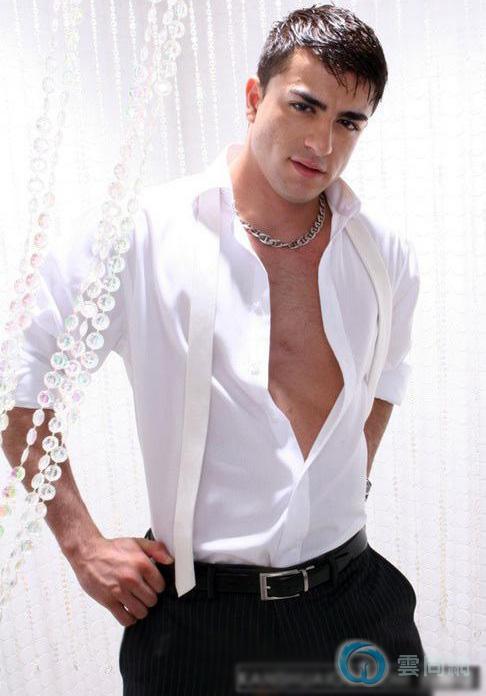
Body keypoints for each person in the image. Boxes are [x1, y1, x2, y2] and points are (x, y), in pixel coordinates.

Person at [2, 4, 430, 695]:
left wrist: (348, 483)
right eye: (304, 105)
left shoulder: (384, 254)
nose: (322, 142)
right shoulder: (142, 233)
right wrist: (82, 545)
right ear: (255, 97)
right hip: (201, 625)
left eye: (349, 121)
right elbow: (18, 381)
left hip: (356, 604)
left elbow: (386, 380)